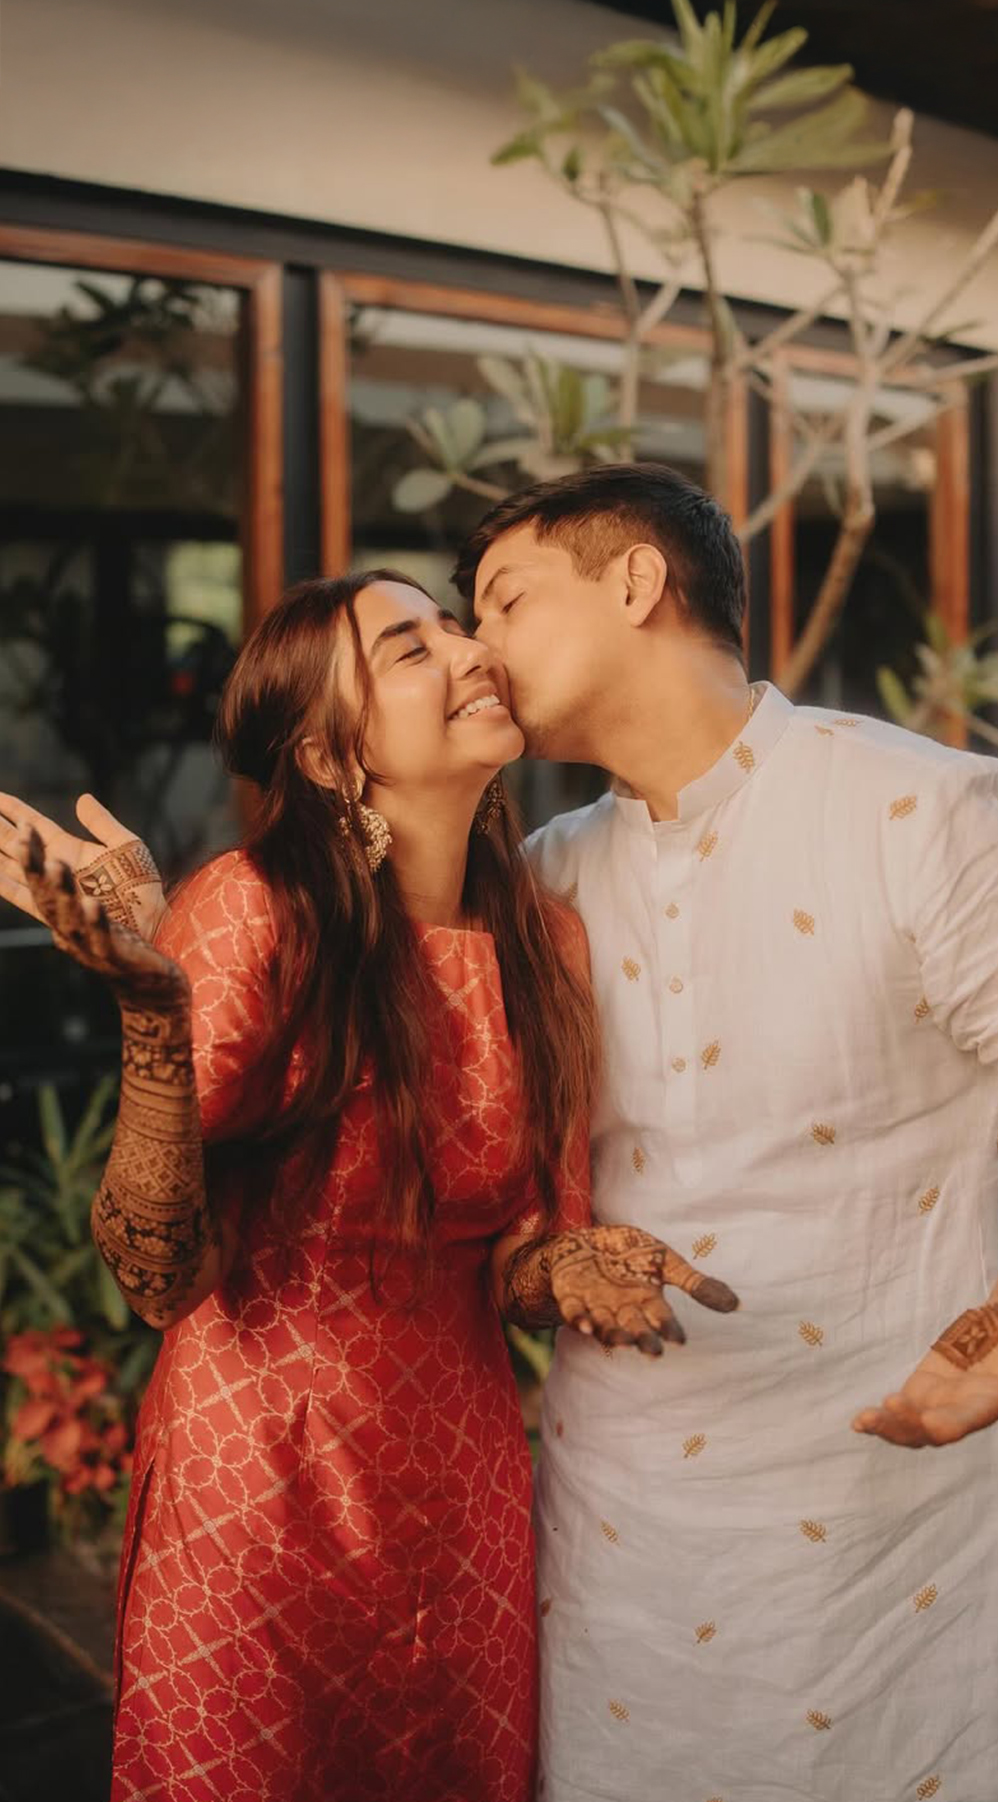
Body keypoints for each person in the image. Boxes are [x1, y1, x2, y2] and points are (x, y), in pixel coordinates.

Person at [0, 567, 735, 1802]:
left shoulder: (548, 942)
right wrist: (152, 1015)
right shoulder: (254, 909)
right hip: (261, 1482)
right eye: (410, 649)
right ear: (332, 754)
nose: (467, 651)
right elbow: (156, 1277)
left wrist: (575, 1265)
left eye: (455, 626)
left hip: (464, 1494)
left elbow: (518, 1258)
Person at [450, 462, 998, 1802]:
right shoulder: (547, 877)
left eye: (504, 600)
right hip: (619, 1526)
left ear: (636, 581)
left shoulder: (917, 813)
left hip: (884, 1516)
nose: (477, 645)